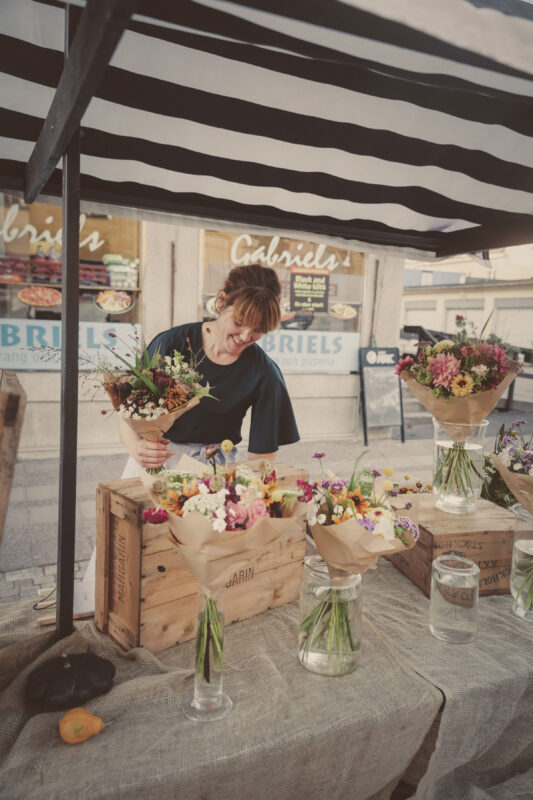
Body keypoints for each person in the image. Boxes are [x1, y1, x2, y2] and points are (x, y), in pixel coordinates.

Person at [118, 263, 300, 476]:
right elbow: (126, 416)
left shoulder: (265, 373)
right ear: (221, 302)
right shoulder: (170, 344)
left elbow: (262, 458)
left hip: (211, 469)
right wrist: (136, 448)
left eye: (258, 330)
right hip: (153, 459)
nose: (245, 336)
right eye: (239, 322)